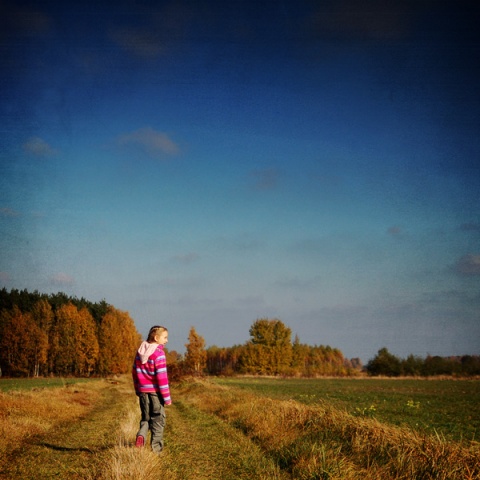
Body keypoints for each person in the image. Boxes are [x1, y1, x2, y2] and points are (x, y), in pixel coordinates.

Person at [132, 325, 172, 453]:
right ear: (156, 338)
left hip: (143, 392)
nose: (166, 340)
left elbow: (134, 372)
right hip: (155, 394)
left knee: (145, 419)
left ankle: (141, 436)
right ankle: (156, 450)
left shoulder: (139, 353)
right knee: (158, 421)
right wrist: (166, 397)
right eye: (165, 337)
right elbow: (162, 378)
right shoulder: (159, 354)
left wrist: (138, 389)